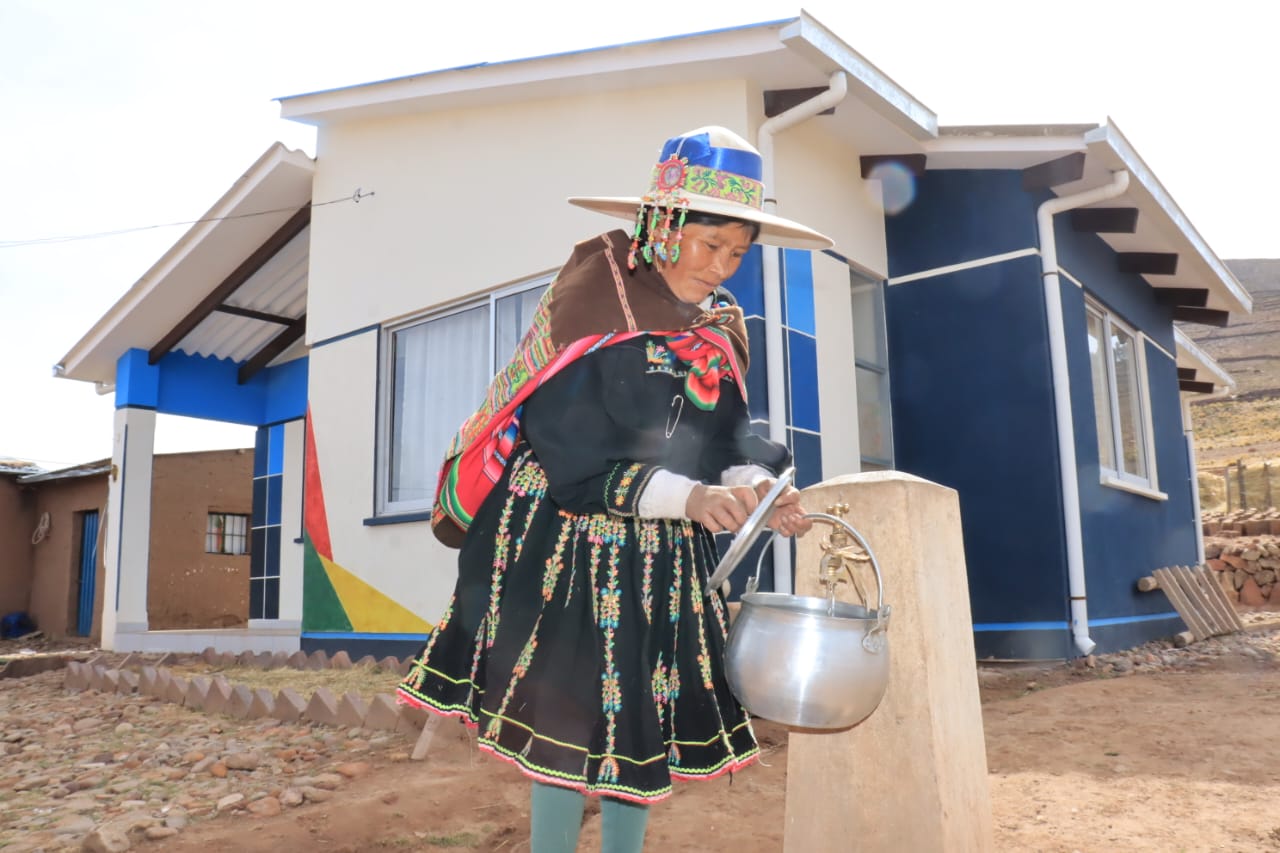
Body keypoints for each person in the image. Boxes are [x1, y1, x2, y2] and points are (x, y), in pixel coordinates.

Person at [397, 125, 833, 852]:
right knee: (565, 726)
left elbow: (725, 435)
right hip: (569, 542)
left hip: (662, 559)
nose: (720, 267)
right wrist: (689, 499)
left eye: (736, 253)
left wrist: (757, 486)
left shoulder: (715, 328)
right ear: (662, 227)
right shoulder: (591, 300)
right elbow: (569, 444)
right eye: (709, 245)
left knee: (640, 721)